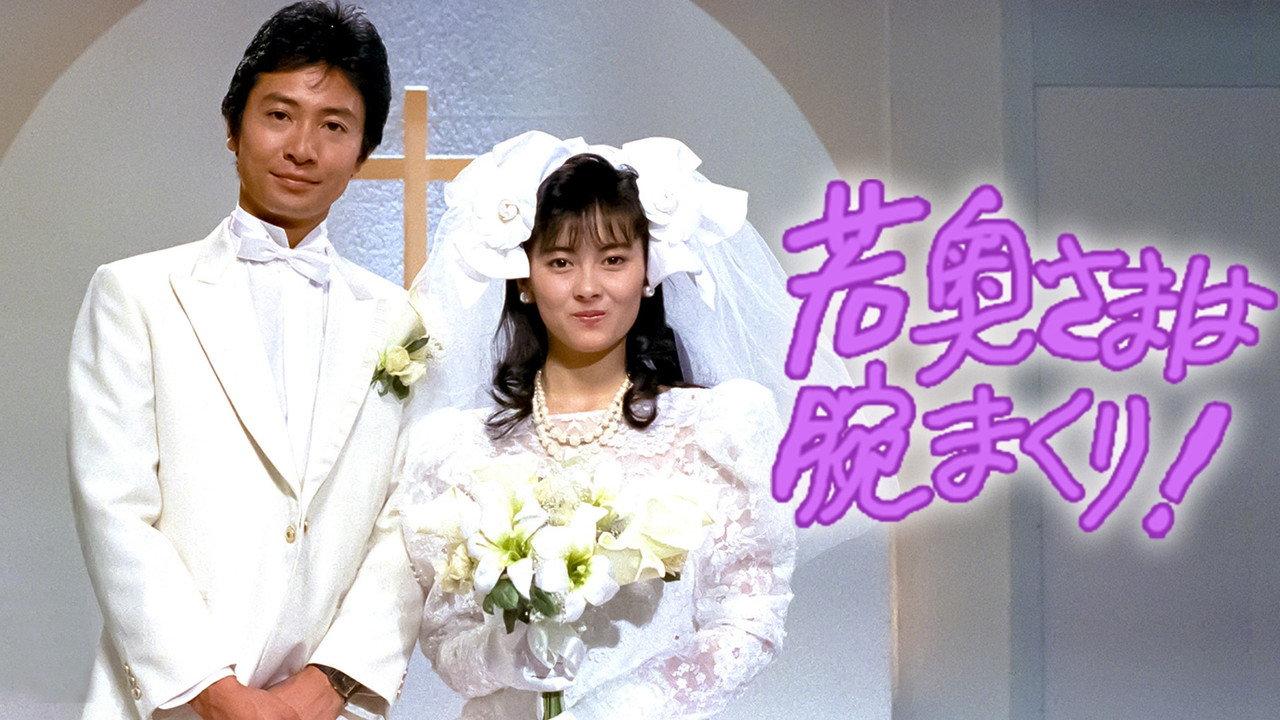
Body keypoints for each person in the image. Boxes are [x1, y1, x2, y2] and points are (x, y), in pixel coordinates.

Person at [398, 131, 847, 719]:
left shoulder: (714, 430)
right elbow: (446, 644)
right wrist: (513, 653)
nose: (589, 287)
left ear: (648, 271)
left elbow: (747, 622)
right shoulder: (461, 448)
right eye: (561, 262)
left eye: (614, 260)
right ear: (524, 279)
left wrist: (617, 708)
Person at [67, 3, 421, 718]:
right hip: (169, 702)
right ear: (233, 126)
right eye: (279, 115)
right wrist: (217, 694)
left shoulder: (401, 322)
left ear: (363, 151)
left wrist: (328, 683)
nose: (302, 148)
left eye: (334, 126)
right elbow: (116, 512)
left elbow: (407, 523)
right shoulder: (136, 294)